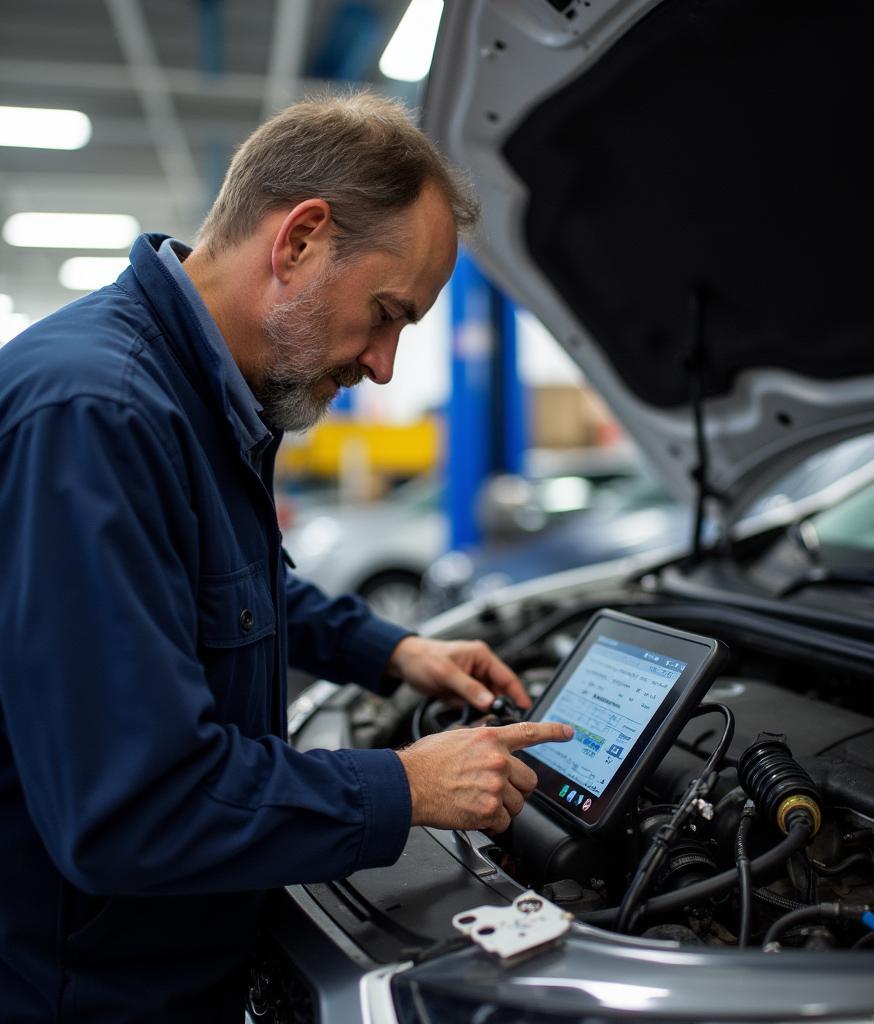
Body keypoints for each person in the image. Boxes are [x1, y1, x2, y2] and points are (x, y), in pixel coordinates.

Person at [0, 92, 571, 1023]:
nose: (385, 365)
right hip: (93, 996)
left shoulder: (191, 397)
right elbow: (131, 809)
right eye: (388, 314)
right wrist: (403, 786)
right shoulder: (99, 416)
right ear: (300, 239)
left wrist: (391, 652)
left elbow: (213, 587)